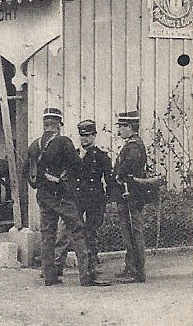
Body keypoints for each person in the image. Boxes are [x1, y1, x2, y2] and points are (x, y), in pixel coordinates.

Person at [22, 107, 105, 286]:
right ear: (58, 125)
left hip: (43, 197)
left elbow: (26, 172)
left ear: (44, 124)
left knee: (47, 236)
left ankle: (49, 276)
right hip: (63, 197)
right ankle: (86, 277)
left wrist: (42, 182)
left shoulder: (34, 145)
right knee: (78, 232)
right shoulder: (63, 142)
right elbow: (79, 168)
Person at [51, 120, 113, 283]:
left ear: (94, 136)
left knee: (91, 233)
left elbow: (109, 180)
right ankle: (56, 266)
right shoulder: (74, 155)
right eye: (82, 136)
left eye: (87, 136)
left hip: (94, 199)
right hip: (75, 198)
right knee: (64, 232)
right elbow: (65, 174)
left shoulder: (102, 157)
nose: (84, 139)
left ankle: (91, 267)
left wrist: (109, 198)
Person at [113, 110, 148, 284]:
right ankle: (131, 268)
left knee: (133, 233)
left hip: (130, 195)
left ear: (129, 127)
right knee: (130, 232)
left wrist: (118, 176)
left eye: (121, 126)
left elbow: (127, 171)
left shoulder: (133, 147)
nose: (119, 130)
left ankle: (136, 272)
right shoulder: (133, 144)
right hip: (129, 194)